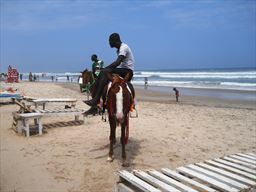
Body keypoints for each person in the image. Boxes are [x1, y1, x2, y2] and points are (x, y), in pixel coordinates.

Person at [83, 33, 135, 116]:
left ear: (114, 41)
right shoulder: (119, 49)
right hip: (123, 70)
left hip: (127, 72)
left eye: (110, 41)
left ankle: (96, 99)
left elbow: (117, 62)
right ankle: (95, 106)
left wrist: (105, 69)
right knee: (100, 77)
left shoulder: (123, 48)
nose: (109, 43)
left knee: (104, 72)